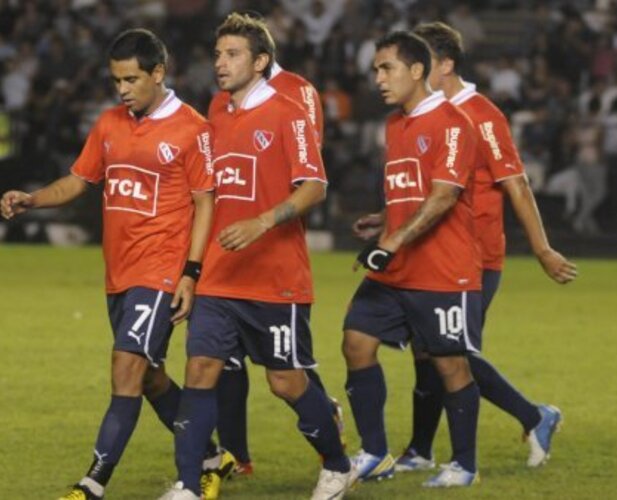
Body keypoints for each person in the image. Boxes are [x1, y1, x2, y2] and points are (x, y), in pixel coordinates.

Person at [1, 29, 215, 500]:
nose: (122, 89)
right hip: (119, 273)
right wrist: (32, 199)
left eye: (132, 79)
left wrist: (190, 272)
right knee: (151, 374)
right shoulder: (110, 123)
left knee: (125, 367)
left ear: (158, 73)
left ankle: (93, 481)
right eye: (116, 80)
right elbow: (79, 181)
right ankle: (209, 454)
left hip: (159, 270)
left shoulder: (191, 128)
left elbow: (205, 203)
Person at [157, 13, 353, 500]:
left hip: (275, 276)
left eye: (233, 54)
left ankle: (338, 463)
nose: (220, 63)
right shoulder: (216, 112)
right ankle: (187, 484)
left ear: (261, 61)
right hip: (220, 277)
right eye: (218, 54)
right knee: (200, 370)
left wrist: (264, 220)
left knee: (286, 383)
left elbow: (316, 185)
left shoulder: (290, 112)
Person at [386, 20, 574, 472]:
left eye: (421, 62)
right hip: (427, 253)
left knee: (452, 353)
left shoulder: (480, 114)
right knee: (428, 352)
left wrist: (543, 248)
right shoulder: (419, 117)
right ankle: (420, 449)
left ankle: (533, 416)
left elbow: (516, 183)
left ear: (444, 64)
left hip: (473, 257)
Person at [342, 30, 482, 488]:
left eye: (387, 68)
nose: (379, 79)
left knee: (450, 365)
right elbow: (414, 190)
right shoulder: (395, 124)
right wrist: (383, 220)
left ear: (417, 70)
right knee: (356, 342)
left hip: (442, 270)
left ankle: (464, 464)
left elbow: (443, 197)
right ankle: (375, 452)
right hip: (396, 266)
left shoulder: (453, 122)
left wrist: (394, 239)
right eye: (375, 70)